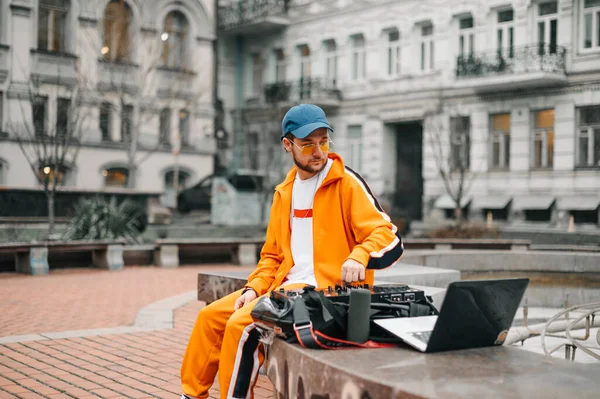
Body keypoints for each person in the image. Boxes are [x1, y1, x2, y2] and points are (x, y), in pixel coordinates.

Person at [180, 104, 404, 399]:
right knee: (209, 318)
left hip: (326, 293)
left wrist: (359, 255)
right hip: (283, 287)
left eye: (323, 141)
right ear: (288, 145)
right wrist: (252, 288)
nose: (318, 151)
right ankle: (191, 395)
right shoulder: (284, 191)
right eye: (307, 144)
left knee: (241, 326)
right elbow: (272, 255)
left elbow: (387, 236)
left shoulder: (346, 182)